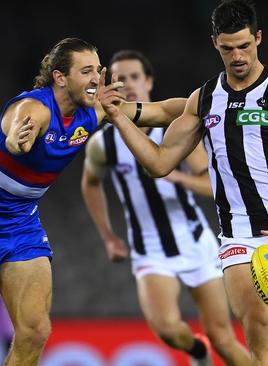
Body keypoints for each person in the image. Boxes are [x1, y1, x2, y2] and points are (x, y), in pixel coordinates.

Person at [0, 37, 187, 366]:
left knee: (35, 332)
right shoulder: (33, 108)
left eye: (98, 70)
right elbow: (17, 132)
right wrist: (17, 141)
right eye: (86, 71)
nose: (96, 78)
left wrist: (210, 103)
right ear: (60, 77)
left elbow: (161, 111)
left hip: (22, 224)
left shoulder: (96, 110)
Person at [96, 2, 268, 365]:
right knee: (261, 341)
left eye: (244, 46)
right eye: (228, 48)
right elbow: (159, 163)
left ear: (258, 38)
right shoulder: (205, 99)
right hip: (240, 233)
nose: (238, 56)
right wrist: (117, 117)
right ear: (215, 43)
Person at [82, 49, 250, 366]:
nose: (127, 84)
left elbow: (213, 185)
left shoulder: (175, 133)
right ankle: (196, 351)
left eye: (134, 77)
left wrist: (176, 178)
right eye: (119, 79)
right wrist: (107, 235)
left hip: (195, 242)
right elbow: (90, 183)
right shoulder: (103, 143)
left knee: (224, 339)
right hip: (150, 249)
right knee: (167, 329)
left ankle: (212, 349)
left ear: (149, 82)